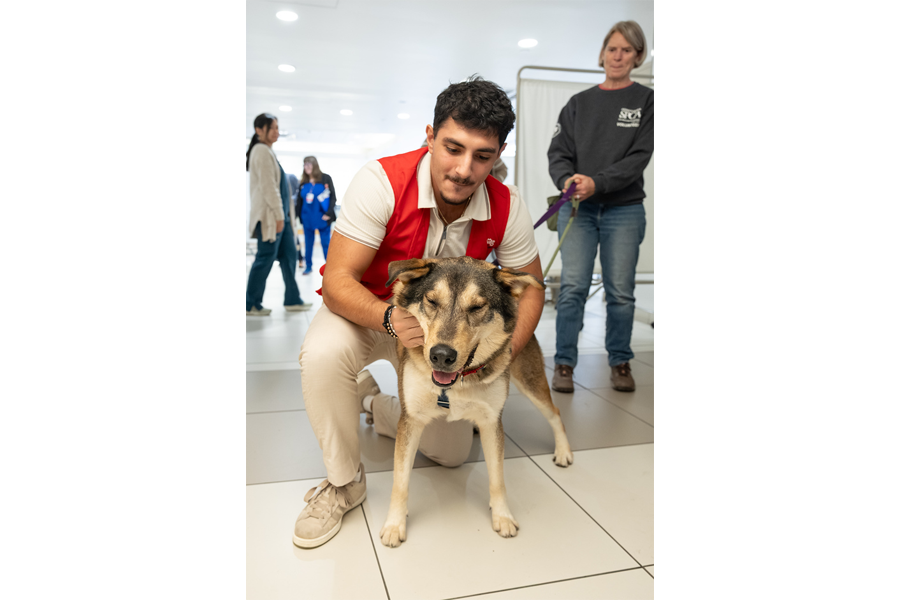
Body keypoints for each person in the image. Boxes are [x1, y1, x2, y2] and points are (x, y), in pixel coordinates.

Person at [293, 76, 544, 549]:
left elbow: (531, 290)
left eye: (483, 156)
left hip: (452, 333)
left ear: (499, 153)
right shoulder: (382, 182)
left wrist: (502, 352)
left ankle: (372, 403)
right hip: (371, 312)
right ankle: (343, 482)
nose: (464, 169)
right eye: (453, 148)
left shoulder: (507, 208)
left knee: (449, 453)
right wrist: (392, 320)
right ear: (429, 135)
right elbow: (337, 281)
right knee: (323, 354)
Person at [547, 20, 654, 392]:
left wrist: (598, 183)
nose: (619, 56)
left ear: (638, 56)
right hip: (578, 209)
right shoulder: (578, 104)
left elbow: (638, 158)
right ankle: (563, 364)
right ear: (603, 53)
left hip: (623, 210)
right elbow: (558, 153)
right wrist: (567, 181)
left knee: (620, 291)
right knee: (573, 286)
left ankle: (620, 363)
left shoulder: (646, 101)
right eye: (613, 48)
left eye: (627, 50)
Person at [245, 113, 311, 315]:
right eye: (272, 128)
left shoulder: (268, 152)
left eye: (277, 127)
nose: (277, 132)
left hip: (281, 218)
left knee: (289, 256)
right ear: (259, 130)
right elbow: (269, 188)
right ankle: (250, 303)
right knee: (265, 259)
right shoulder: (261, 151)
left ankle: (292, 299)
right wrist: (279, 216)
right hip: (272, 219)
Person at [297, 156, 338, 275]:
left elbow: (333, 197)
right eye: (305, 165)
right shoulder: (303, 182)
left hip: (322, 218)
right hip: (307, 218)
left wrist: (328, 214)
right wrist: (299, 217)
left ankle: (329, 268)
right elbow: (299, 201)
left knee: (326, 244)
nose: (307, 167)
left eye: (309, 164)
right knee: (308, 244)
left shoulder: (325, 179)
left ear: (315, 165)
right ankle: (308, 266)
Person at [288, 172, 304, 267]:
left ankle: (300, 259)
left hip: (292, 215)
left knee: (295, 238)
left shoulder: (295, 196)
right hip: (286, 215)